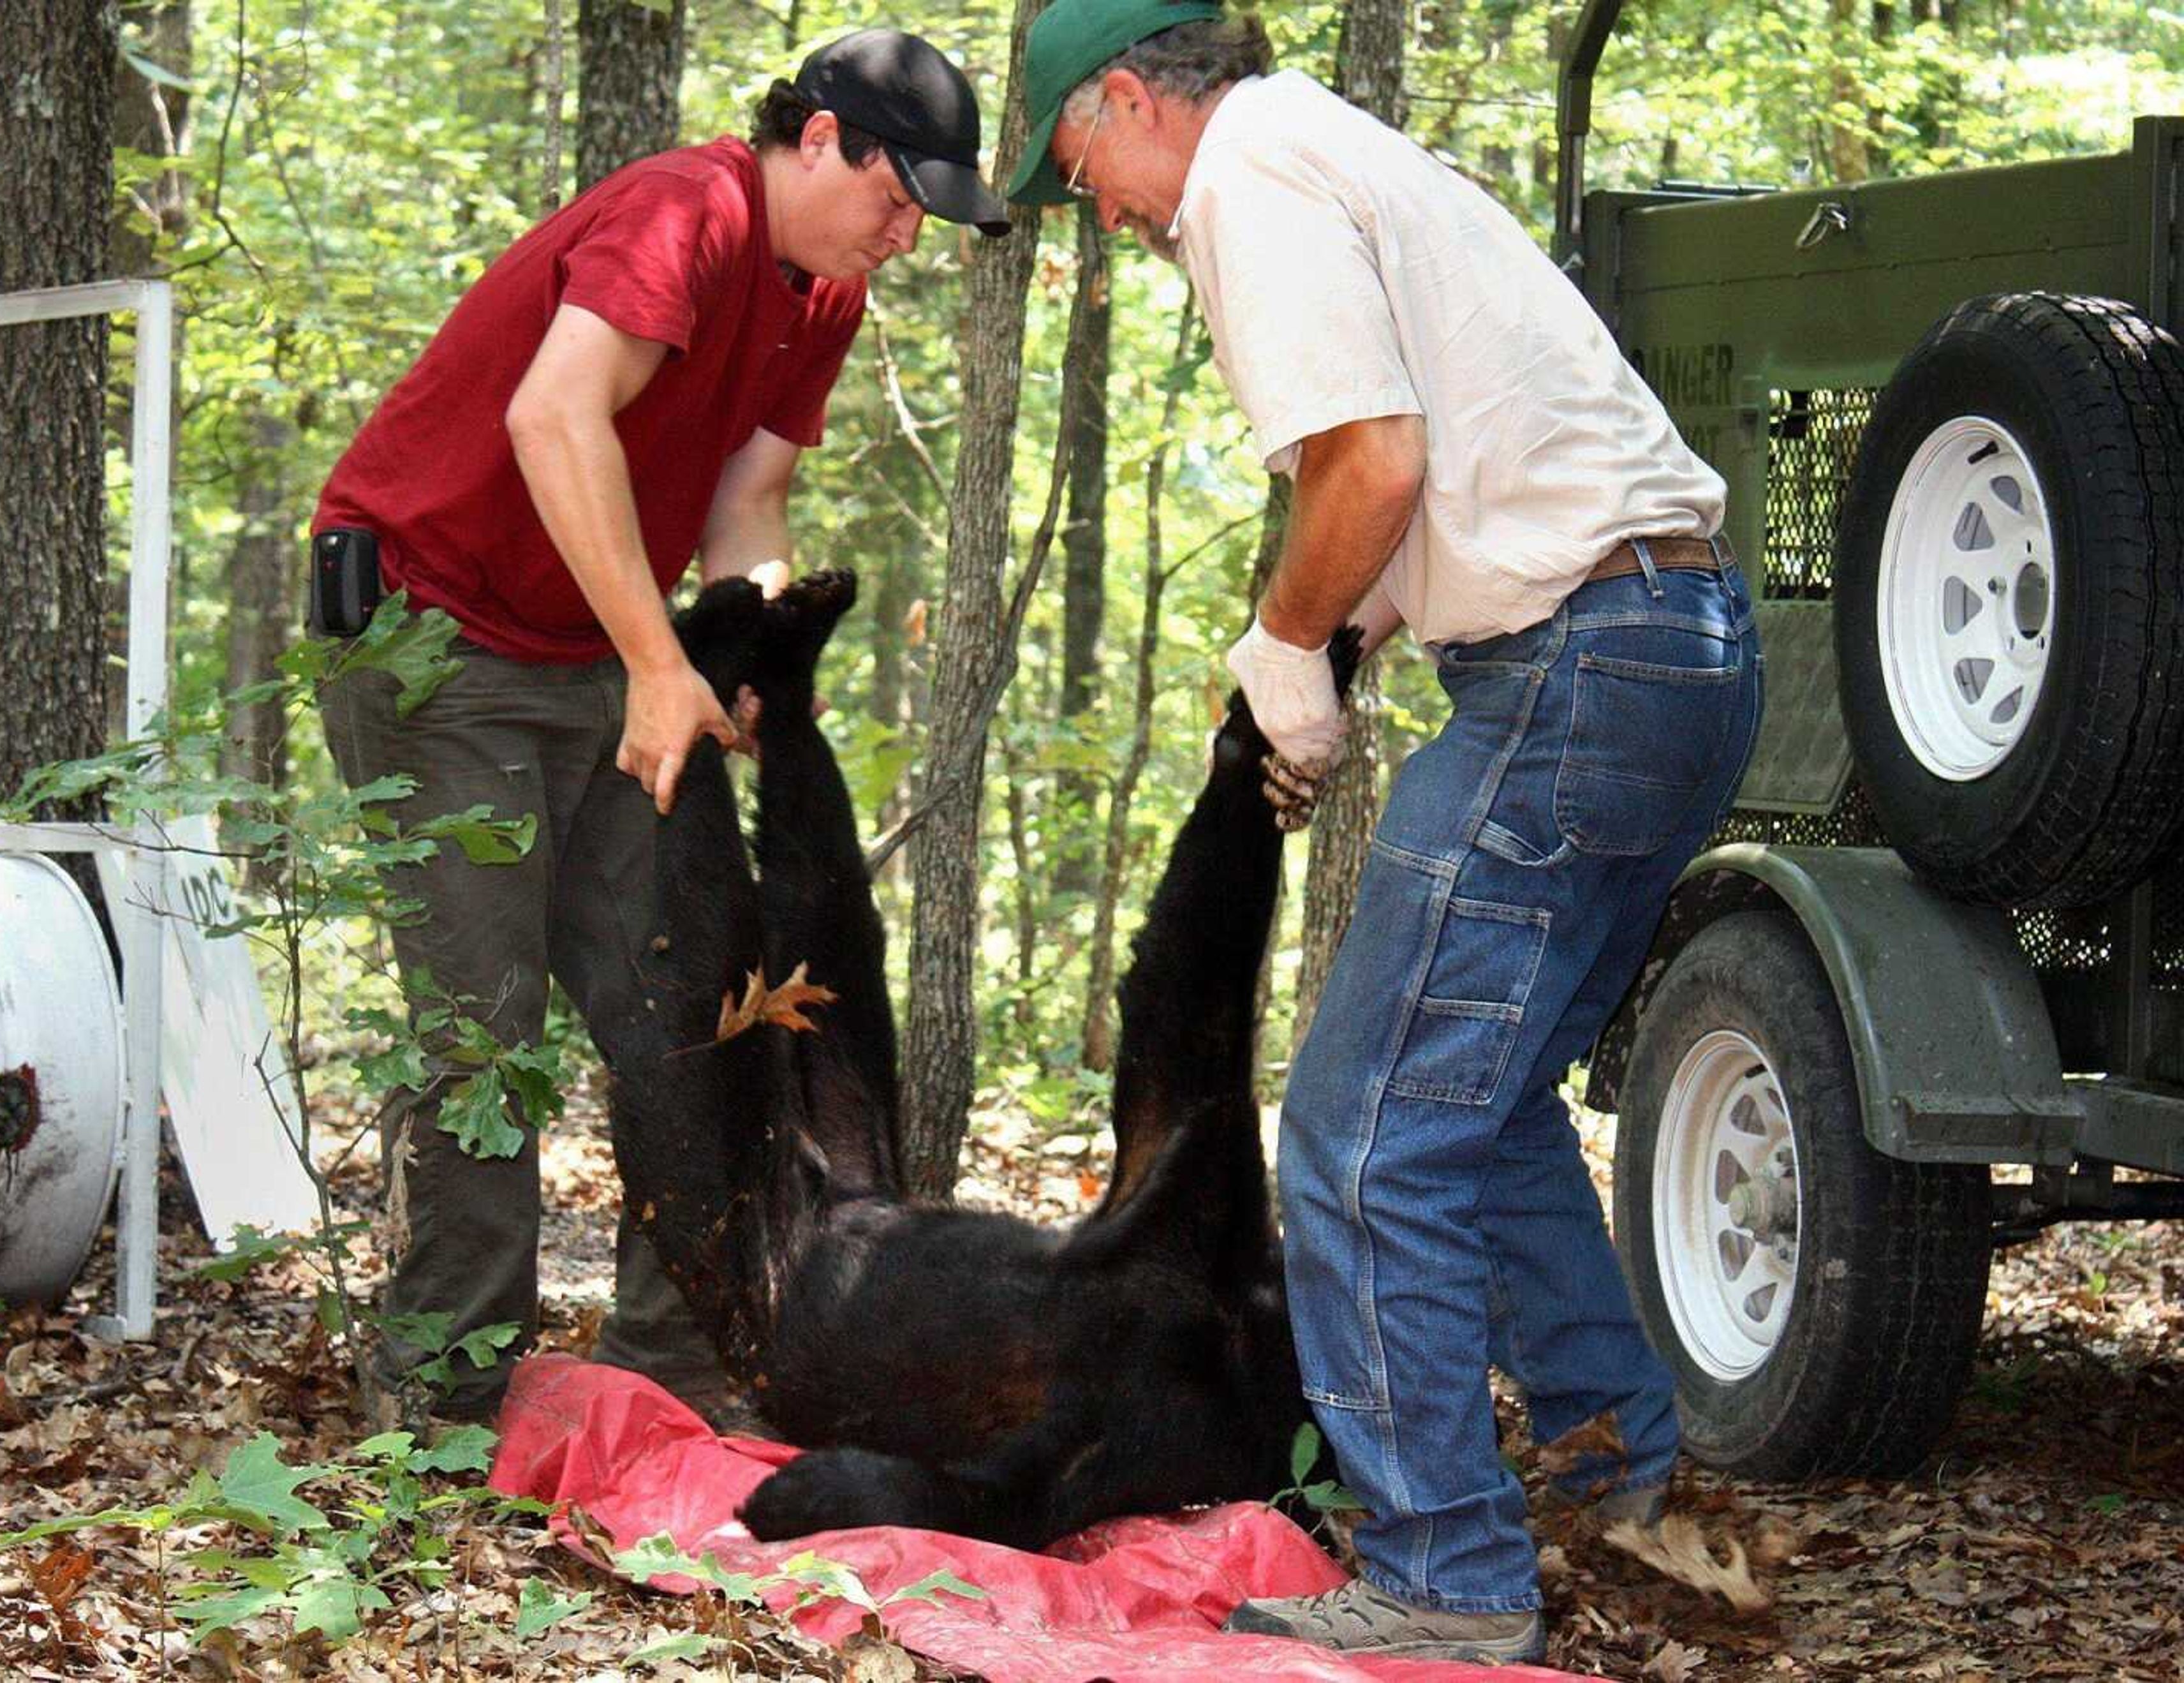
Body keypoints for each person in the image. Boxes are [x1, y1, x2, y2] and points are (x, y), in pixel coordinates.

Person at [1007, 0, 1763, 1663]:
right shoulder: (1340, 152)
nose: (1110, 221)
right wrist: (1329, 658)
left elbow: (1373, 462)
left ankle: (1444, 1574)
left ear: (1131, 100)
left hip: (1574, 662)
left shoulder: (1251, 175)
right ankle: (1612, 1460)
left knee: (1357, 1135)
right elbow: (1406, 472)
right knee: (1474, 1114)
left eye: (1084, 171)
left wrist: (1285, 645)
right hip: (1683, 646)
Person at [314, 29, 1010, 1430]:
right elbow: (554, 416)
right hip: (436, 633)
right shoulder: (681, 213)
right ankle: (442, 1396)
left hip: (592, 651)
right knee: (487, 1031)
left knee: (688, 1003)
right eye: (894, 198)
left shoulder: (822, 301)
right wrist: (656, 661)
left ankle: (678, 1370)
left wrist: (740, 653)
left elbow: (744, 513)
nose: (907, 236)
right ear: (822, 139)